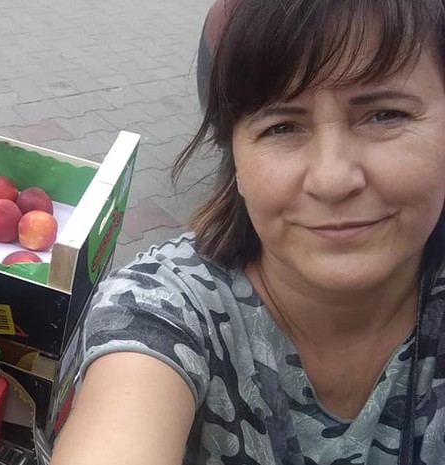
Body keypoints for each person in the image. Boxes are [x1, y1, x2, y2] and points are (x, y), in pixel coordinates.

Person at [50, 0, 445, 464]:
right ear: (235, 160)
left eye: (385, 115)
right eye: (282, 127)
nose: (332, 180)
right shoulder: (163, 310)